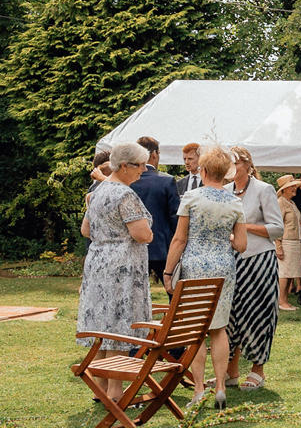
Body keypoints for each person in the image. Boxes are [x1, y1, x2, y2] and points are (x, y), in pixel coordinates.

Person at [163, 145, 248, 411]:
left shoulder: (191, 196)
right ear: (225, 173)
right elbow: (242, 245)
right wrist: (226, 237)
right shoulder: (235, 202)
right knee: (219, 328)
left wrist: (168, 272)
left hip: (195, 267)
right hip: (223, 267)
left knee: (196, 331)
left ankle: (199, 389)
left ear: (204, 170)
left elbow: (179, 239)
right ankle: (220, 387)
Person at [76, 142, 154, 405]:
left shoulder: (97, 191)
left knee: (102, 325)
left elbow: (86, 230)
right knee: (119, 327)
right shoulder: (125, 194)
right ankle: (116, 392)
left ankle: (101, 388)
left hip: (97, 262)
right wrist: (149, 234)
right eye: (140, 165)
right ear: (124, 166)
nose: (144, 169)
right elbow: (141, 234)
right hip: (121, 265)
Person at [224, 146, 284, 393]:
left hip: (259, 261)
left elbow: (277, 229)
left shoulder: (263, 189)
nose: (231, 169)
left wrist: (244, 226)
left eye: (236, 164)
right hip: (231, 262)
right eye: (228, 164)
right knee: (230, 317)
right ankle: (231, 371)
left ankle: (258, 370)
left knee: (258, 314)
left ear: (247, 165)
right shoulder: (224, 191)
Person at [128, 136, 179, 284]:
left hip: (134, 246)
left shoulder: (128, 182)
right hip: (162, 247)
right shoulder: (166, 181)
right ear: (154, 154)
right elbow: (174, 217)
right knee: (173, 291)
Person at [275, 175, 301, 311]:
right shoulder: (281, 202)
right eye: (292, 186)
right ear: (285, 188)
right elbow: (277, 225)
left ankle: (285, 300)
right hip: (286, 242)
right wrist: (278, 246)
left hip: (294, 241)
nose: (295, 188)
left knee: (290, 272)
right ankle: (281, 301)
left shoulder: (291, 202)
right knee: (284, 272)